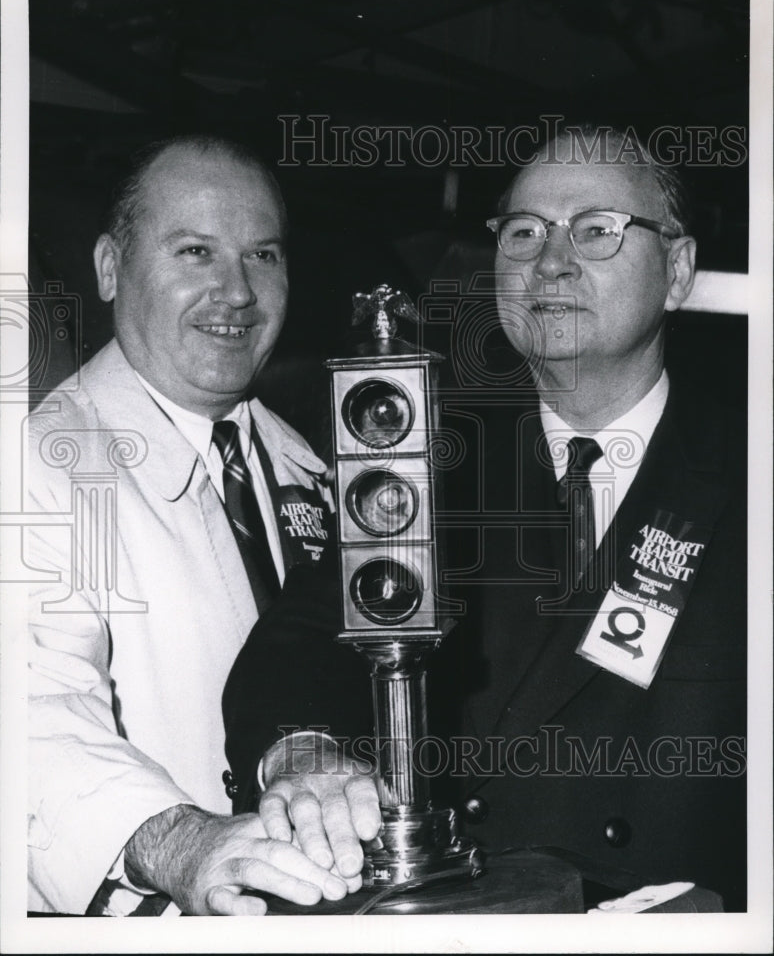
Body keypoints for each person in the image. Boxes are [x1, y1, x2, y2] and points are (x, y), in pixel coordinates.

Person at [224, 124, 747, 911]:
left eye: (598, 230)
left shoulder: (747, 472)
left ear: (677, 271)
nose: (551, 261)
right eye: (525, 232)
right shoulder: (427, 463)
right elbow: (301, 639)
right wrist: (304, 751)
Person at [26, 134, 379, 916]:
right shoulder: (39, 465)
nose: (237, 292)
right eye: (194, 252)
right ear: (111, 268)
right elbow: (28, 716)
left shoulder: (314, 465)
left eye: (263, 255)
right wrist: (185, 843)